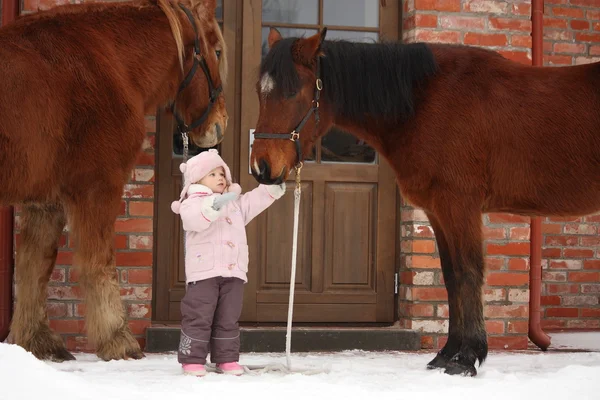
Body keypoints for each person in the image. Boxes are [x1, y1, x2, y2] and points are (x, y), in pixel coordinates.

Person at [170, 149, 285, 377]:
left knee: (228, 317)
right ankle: (192, 359)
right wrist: (213, 205)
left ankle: (227, 359)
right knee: (199, 315)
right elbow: (193, 220)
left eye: (222, 173)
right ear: (198, 180)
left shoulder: (236, 204)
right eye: (212, 174)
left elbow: (255, 200)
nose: (220, 178)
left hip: (234, 272)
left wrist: (272, 187)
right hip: (204, 273)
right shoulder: (191, 202)